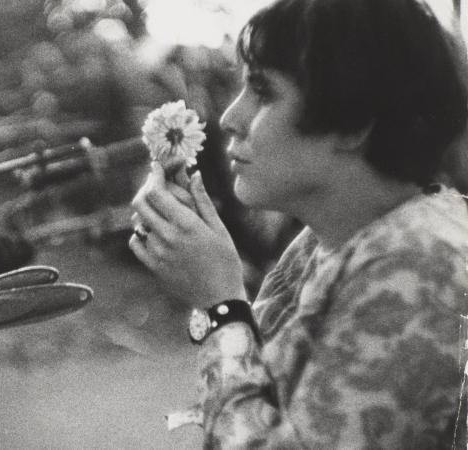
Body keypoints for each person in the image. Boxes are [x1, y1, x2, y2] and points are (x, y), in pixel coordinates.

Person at [129, 0, 468, 447]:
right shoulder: (332, 238)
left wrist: (221, 306)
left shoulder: (421, 266)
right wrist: (213, 290)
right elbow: (268, 390)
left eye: (264, 93)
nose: (231, 119)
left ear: (354, 121)